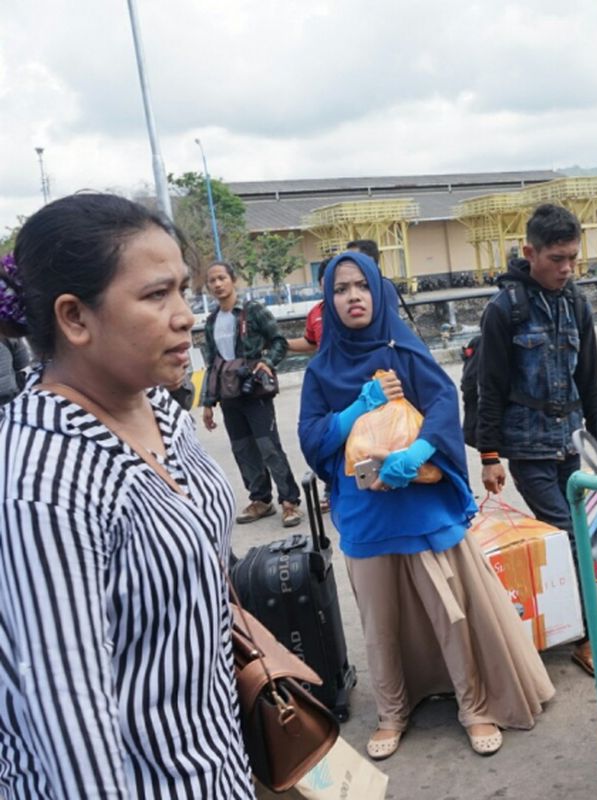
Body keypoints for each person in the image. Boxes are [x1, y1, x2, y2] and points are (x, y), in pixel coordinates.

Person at [0, 193, 252, 797]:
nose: (185, 314)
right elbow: (69, 708)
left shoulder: (163, 410)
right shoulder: (40, 477)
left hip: (214, 762)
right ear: (75, 317)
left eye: (184, 289)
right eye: (155, 294)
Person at [298, 250, 554, 760]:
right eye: (341, 288)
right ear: (329, 299)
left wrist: (418, 451)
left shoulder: (404, 350)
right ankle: (392, 712)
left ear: (378, 290)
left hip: (422, 509)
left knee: (450, 615)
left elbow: (442, 403)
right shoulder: (321, 371)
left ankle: (474, 706)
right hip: (367, 515)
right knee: (379, 624)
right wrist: (356, 410)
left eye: (361, 286)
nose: (353, 297)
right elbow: (312, 439)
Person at [473, 203, 597, 676]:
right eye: (557, 259)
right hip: (529, 448)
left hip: (572, 441)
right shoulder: (504, 310)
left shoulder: (577, 303)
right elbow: (488, 386)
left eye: (572, 258)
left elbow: (590, 381)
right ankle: (587, 638)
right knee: (570, 534)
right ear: (530, 252)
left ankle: (571, 618)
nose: (567, 268)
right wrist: (490, 456)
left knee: (581, 537)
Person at [201, 261, 304, 527]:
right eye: (212, 281)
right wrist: (208, 402)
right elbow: (212, 363)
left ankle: (289, 501)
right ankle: (260, 499)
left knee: (268, 447)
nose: (217, 284)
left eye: (222, 278)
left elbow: (279, 340)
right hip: (229, 394)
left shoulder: (253, 311)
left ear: (233, 280)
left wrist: (267, 362)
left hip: (254, 390)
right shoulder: (211, 321)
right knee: (242, 449)